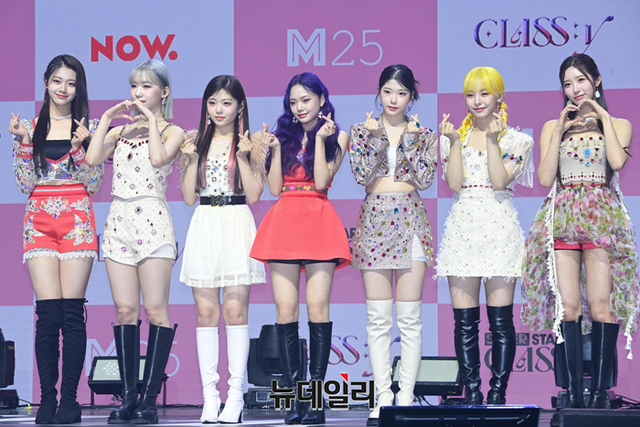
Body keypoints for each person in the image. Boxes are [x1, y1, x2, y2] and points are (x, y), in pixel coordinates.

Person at [521, 54, 638, 409]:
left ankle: (600, 395)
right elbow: (545, 179)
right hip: (563, 217)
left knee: (601, 307)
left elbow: (616, 162)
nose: (575, 89)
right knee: (568, 307)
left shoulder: (618, 124)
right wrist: (559, 129)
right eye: (568, 84)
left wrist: (601, 116)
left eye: (581, 81)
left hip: (601, 218)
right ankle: (572, 394)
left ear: (597, 81)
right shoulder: (551, 127)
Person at [85, 59, 184, 424]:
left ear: (164, 91)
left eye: (147, 86)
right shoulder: (120, 132)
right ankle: (128, 397)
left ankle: (149, 400)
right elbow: (91, 159)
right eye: (135, 86)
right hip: (119, 222)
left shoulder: (174, 130)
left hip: (153, 222)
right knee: (125, 311)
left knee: (156, 310)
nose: (139, 93)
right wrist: (107, 119)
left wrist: (153, 121)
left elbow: (158, 159)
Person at [249, 72, 350, 425]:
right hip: (285, 222)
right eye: (293, 102)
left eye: (306, 100)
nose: (299, 107)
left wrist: (321, 141)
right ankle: (295, 399)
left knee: (318, 308)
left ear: (322, 99)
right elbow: (275, 188)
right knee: (286, 310)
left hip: (319, 220)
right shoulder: (281, 136)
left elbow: (322, 181)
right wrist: (274, 150)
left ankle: (316, 399)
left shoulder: (338, 136)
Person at [9, 54, 103, 424]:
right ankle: (46, 401)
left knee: (71, 315)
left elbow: (94, 183)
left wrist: (82, 146)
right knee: (47, 316)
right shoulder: (30, 128)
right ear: (46, 83)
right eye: (57, 81)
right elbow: (24, 184)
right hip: (39, 221)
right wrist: (22, 142)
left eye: (71, 83)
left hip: (77, 219)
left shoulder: (88, 127)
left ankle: (70, 402)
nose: (63, 89)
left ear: (79, 88)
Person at [436, 66, 533, 405]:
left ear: (499, 96)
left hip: (499, 230)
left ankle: (498, 394)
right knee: (464, 323)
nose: (477, 101)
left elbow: (499, 180)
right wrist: (453, 143)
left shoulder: (519, 141)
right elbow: (453, 184)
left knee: (500, 322)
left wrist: (492, 141)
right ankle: (474, 393)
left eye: (484, 93)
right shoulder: (453, 138)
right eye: (470, 94)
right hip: (462, 230)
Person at [348, 64, 437, 424]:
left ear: (411, 97)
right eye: (388, 91)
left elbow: (425, 179)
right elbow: (362, 175)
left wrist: (411, 142)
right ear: (379, 92)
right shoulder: (361, 131)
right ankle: (383, 395)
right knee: (378, 319)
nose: (394, 99)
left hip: (411, 220)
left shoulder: (424, 134)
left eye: (401, 93)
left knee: (410, 318)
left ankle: (407, 396)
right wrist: (375, 139)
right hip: (374, 223)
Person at [179, 75, 266, 423]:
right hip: (205, 222)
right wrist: (189, 161)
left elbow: (255, 195)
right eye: (213, 102)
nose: (219, 109)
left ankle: (235, 396)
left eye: (227, 103)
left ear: (239, 107)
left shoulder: (251, 143)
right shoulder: (193, 142)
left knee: (235, 312)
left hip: (236, 222)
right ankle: (209, 397)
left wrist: (243, 156)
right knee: (205, 314)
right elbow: (188, 198)